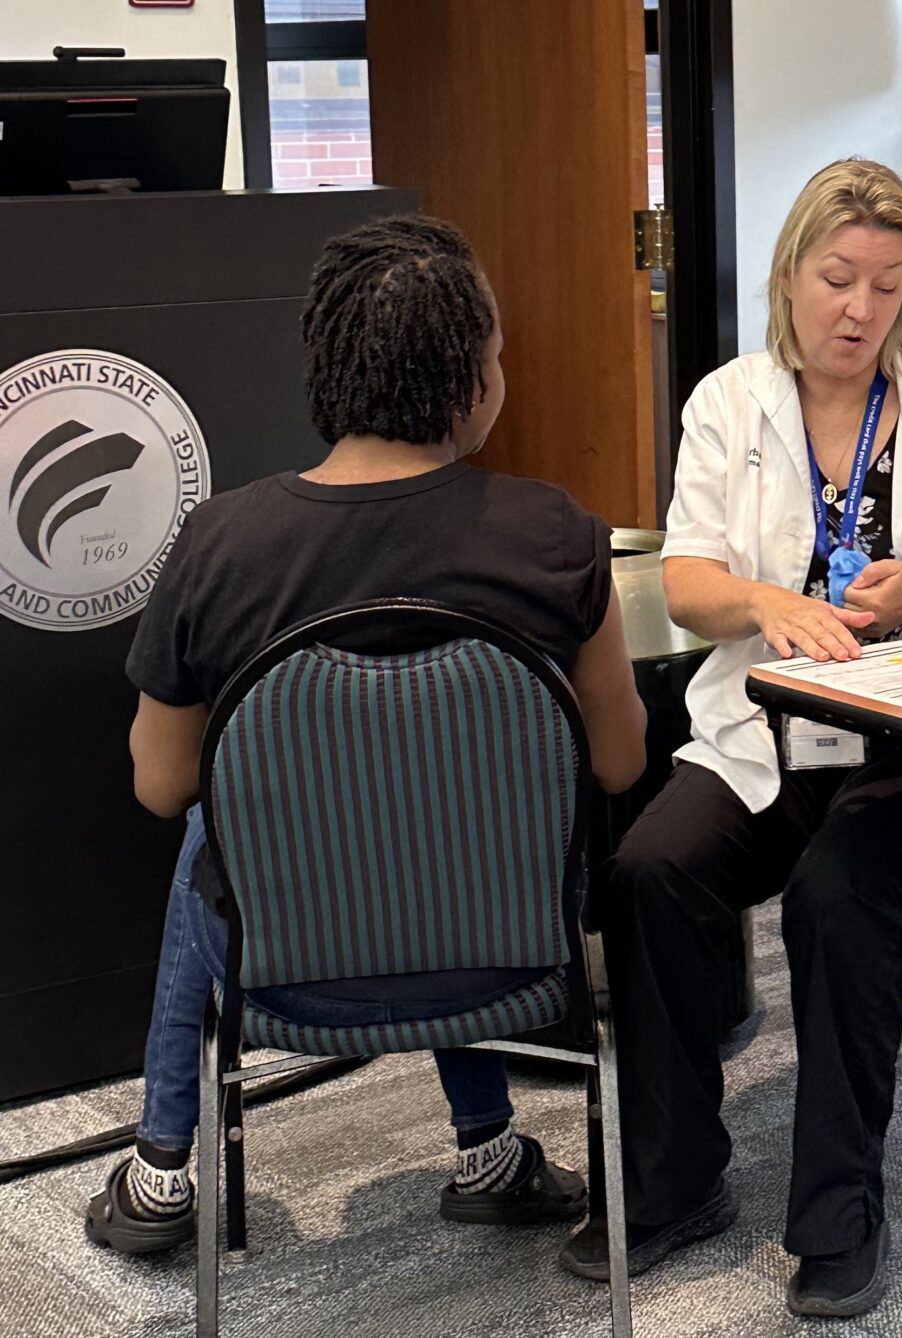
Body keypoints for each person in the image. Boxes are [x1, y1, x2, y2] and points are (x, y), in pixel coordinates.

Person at [558, 160, 902, 1318]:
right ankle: (675, 1178)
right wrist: (766, 608)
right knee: (649, 875)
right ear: (788, 276)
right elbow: (686, 581)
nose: (860, 309)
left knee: (837, 901)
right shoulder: (727, 401)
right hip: (769, 728)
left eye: (888, 287)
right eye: (837, 279)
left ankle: (840, 1215)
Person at [84, 214, 648, 1254]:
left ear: (329, 366)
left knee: (211, 837)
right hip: (509, 959)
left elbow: (161, 784)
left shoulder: (222, 545)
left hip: (286, 970)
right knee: (449, 818)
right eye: (499, 352)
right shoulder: (558, 537)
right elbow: (617, 764)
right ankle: (487, 1151)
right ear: (471, 376)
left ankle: (162, 1170)